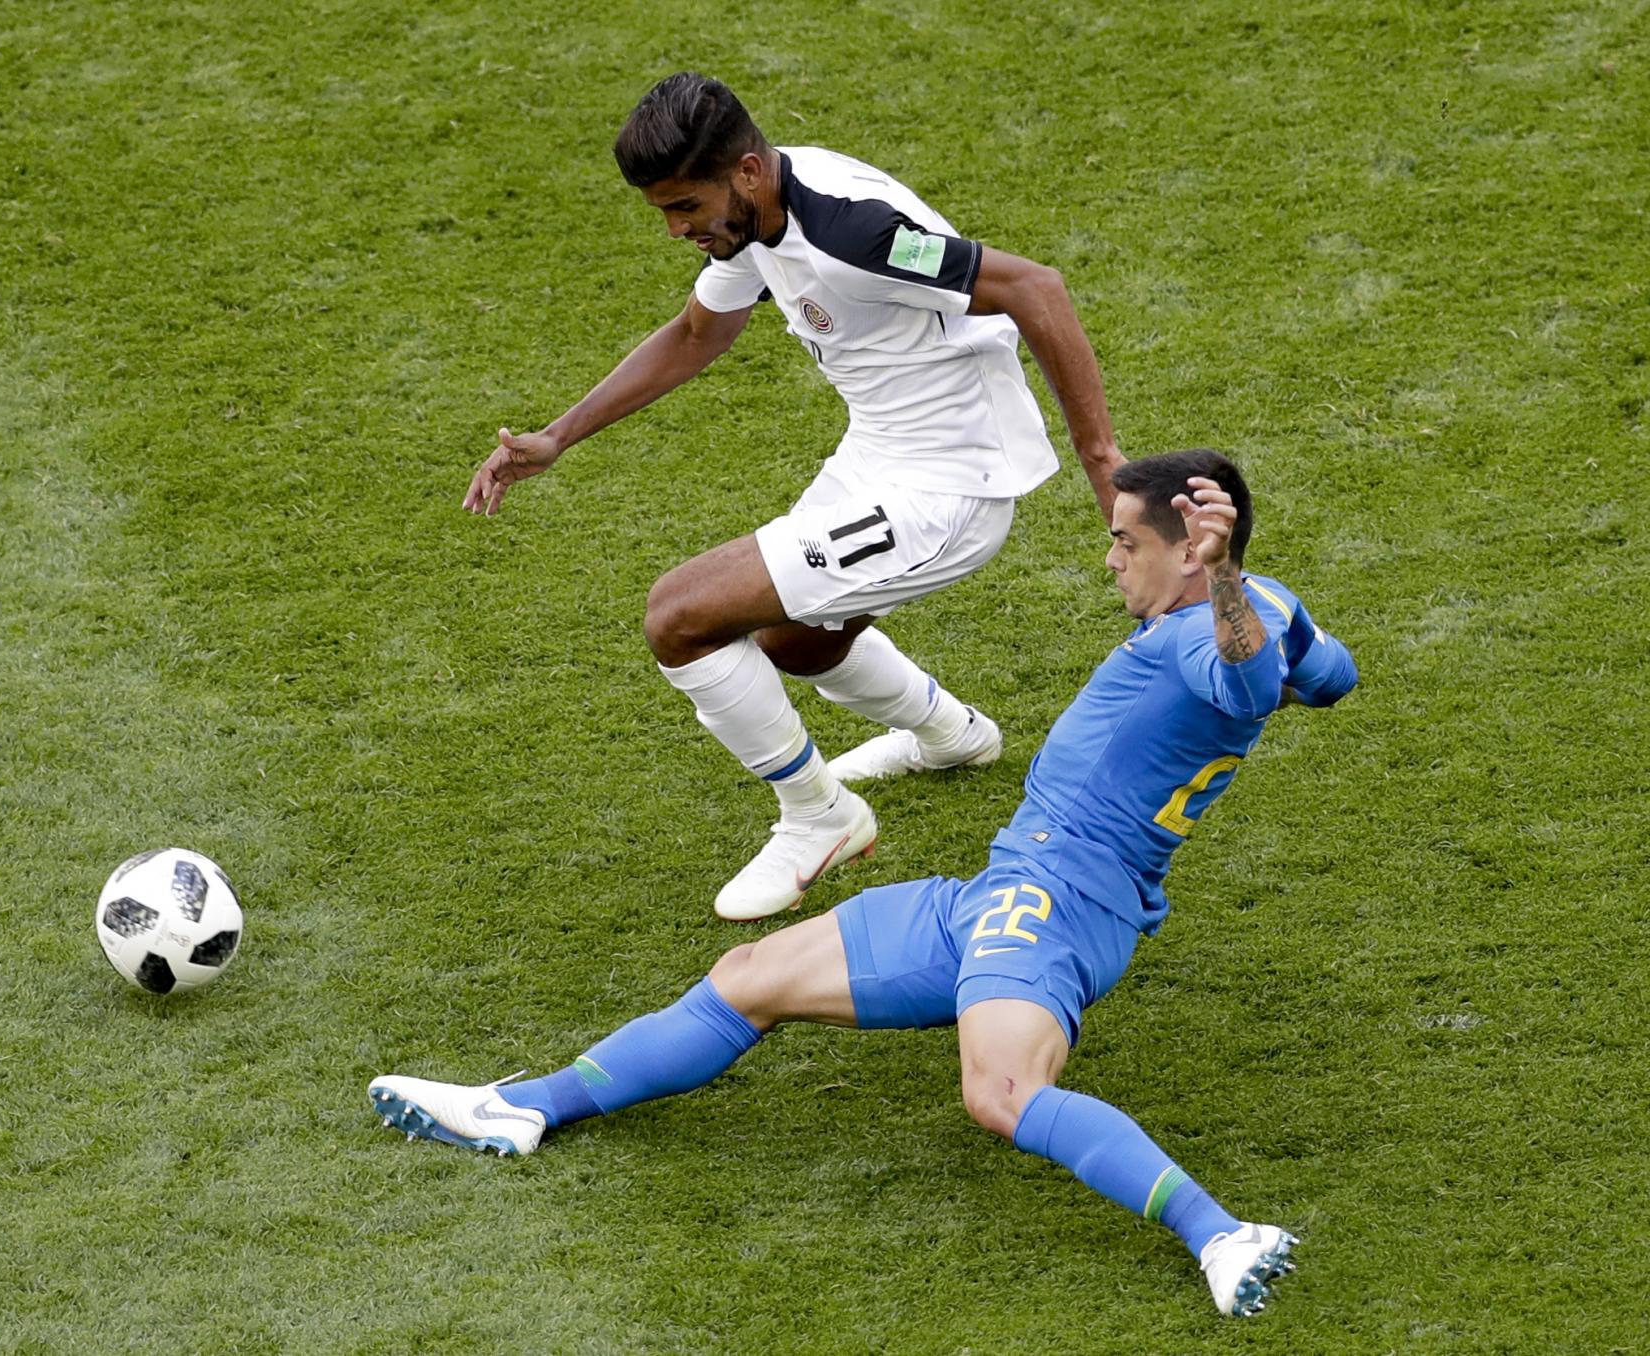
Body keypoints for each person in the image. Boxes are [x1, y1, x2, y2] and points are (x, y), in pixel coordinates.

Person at [381, 451, 1358, 1318]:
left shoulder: (1214, 629)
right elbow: (1329, 676)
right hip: (1003, 892)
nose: (1107, 559)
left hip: (1055, 910)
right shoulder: (1272, 607)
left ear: (1188, 553)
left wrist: (1224, 583)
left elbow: (1239, 680)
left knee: (1003, 1092)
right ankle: (528, 1108)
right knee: (750, 974)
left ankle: (1221, 1234)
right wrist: (1249, 594)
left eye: (1122, 541)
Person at [463, 73, 1126, 920]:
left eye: (682, 206)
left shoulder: (855, 232)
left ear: (743, 171)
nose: (676, 230)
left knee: (680, 616)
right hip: (879, 450)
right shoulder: (757, 213)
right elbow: (699, 333)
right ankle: (954, 737)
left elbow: (1035, 288)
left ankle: (819, 817)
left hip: (949, 484)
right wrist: (559, 436)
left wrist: (1101, 461)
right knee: (794, 643)